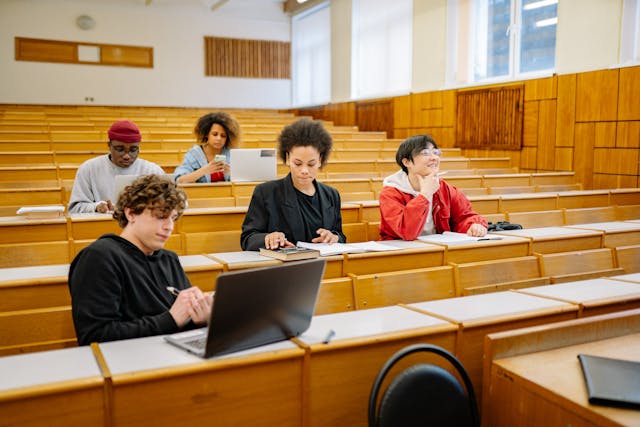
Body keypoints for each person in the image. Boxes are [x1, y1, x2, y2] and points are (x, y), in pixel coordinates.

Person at [68, 174, 212, 345]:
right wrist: (170, 319)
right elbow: (95, 336)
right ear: (130, 213)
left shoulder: (169, 259)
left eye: (173, 218)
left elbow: (182, 320)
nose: (170, 227)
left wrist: (201, 317)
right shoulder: (98, 258)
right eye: (160, 216)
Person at [240, 118, 346, 251]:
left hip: (325, 266)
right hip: (284, 268)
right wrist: (267, 237)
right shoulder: (266, 192)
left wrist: (334, 237)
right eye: (297, 163)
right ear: (287, 158)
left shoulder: (331, 194)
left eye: (311, 164)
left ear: (320, 160)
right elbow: (247, 239)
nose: (304, 171)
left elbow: (340, 235)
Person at [379, 134, 488, 240]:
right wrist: (425, 194)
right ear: (407, 162)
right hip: (402, 252)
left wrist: (474, 225)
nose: (434, 158)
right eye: (425, 153)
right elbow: (406, 232)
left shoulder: (444, 188)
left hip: (436, 249)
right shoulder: (390, 193)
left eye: (435, 152)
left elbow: (464, 216)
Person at [67, 120, 165, 214]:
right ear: (109, 146)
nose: (127, 156)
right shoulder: (89, 169)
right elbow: (75, 208)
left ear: (139, 148)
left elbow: (167, 204)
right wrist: (96, 207)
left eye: (133, 150)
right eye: (120, 149)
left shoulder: (153, 171)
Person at [173, 112, 240, 183]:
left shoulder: (232, 153)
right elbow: (179, 180)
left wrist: (233, 174)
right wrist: (204, 170)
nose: (219, 138)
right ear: (206, 135)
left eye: (223, 136)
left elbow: (246, 179)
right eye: (215, 134)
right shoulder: (194, 154)